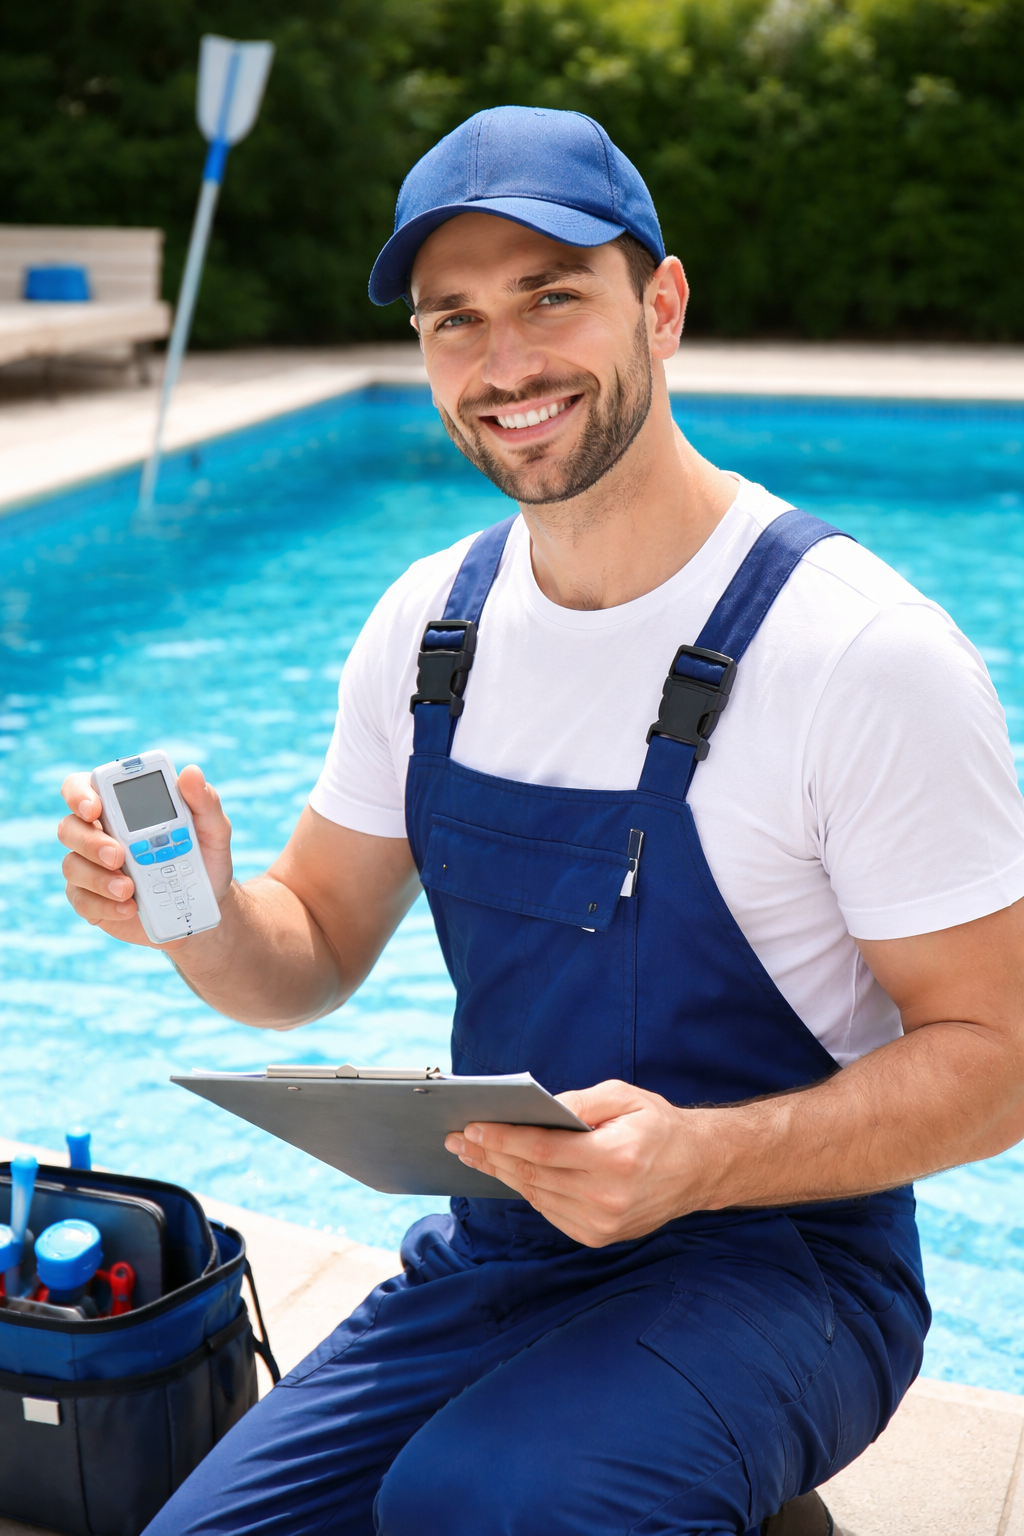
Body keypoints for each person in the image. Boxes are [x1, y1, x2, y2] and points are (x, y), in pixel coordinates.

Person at [59, 106, 1024, 1536]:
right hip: (507, 1251)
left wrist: (702, 1158)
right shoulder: (428, 628)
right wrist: (194, 916)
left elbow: (1000, 1060)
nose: (504, 366)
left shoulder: (860, 653)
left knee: (490, 1502)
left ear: (664, 306)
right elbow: (312, 945)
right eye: (456, 322)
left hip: (785, 1270)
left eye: (550, 297)